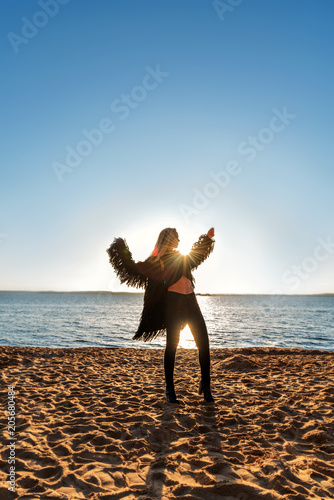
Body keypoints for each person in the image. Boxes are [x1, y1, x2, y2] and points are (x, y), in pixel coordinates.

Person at [106, 227, 215, 403]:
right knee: (172, 346)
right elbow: (134, 268)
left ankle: (206, 385)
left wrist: (207, 238)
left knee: (204, 344)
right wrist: (121, 249)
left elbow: (197, 254)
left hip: (192, 302)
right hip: (175, 305)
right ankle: (170, 389)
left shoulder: (182, 257)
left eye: (179, 238)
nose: (179, 241)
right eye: (176, 238)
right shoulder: (158, 262)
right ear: (168, 239)